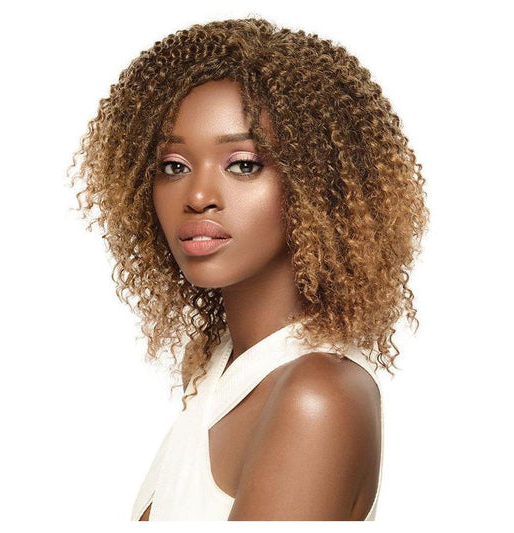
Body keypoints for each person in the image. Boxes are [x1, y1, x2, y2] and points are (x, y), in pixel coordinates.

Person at [68, 17, 429, 521]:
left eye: (243, 164)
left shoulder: (316, 395)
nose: (198, 196)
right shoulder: (217, 372)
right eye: (174, 166)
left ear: (318, 185)